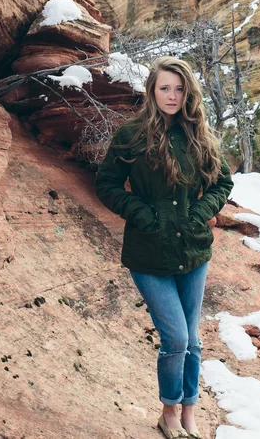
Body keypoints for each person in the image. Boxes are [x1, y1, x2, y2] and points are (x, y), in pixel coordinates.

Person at [94, 56, 234, 439]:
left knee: (193, 340)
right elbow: (106, 184)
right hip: (148, 252)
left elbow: (222, 184)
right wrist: (141, 214)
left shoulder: (199, 135)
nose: (171, 96)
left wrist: (199, 212)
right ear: (152, 91)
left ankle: (190, 413)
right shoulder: (132, 134)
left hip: (193, 251)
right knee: (176, 339)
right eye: (164, 88)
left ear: (188, 92)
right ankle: (168, 412)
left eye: (178, 88)